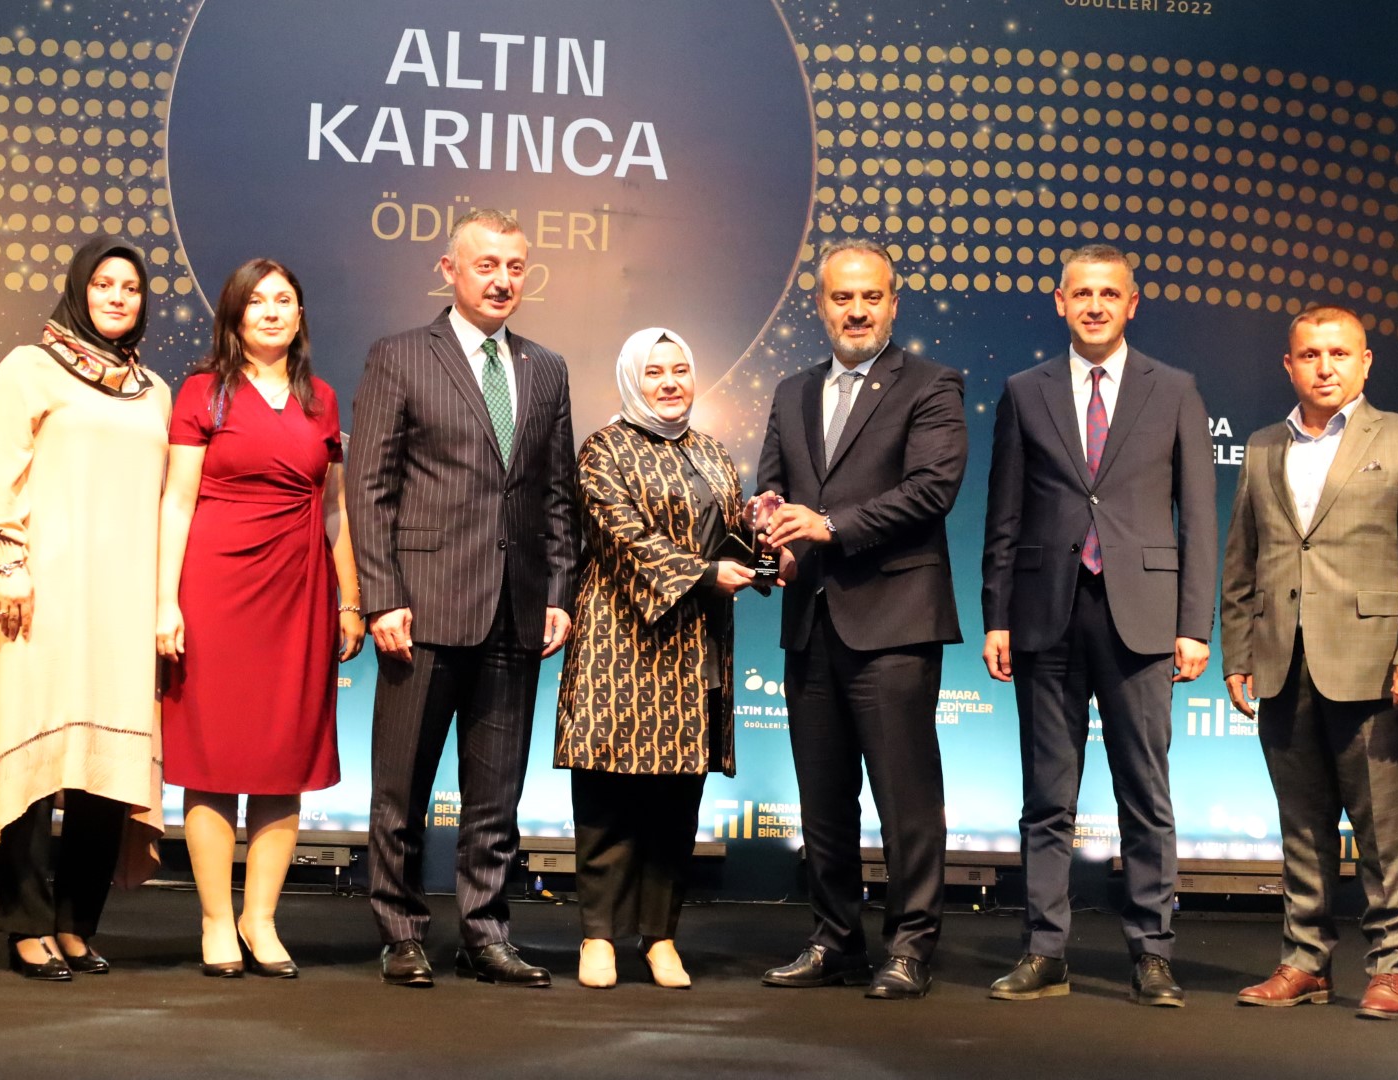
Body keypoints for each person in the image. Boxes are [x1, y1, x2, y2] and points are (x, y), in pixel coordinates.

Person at [349, 208, 582, 989]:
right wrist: (381, 596)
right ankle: (400, 932)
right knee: (401, 790)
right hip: (420, 609)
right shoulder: (399, 356)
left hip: (515, 612)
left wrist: (558, 590)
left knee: (496, 796)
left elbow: (555, 494)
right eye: (486, 265)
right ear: (448, 269)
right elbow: (369, 488)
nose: (501, 280)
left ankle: (485, 933)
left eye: (514, 266)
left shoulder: (545, 368)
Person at [980, 243, 1215, 1007]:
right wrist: (995, 615)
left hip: (1141, 618)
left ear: (1130, 304)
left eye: (1108, 294)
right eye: (1080, 293)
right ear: (1059, 302)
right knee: (1047, 797)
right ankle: (1044, 950)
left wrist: (1194, 624)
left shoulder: (1173, 389)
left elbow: (1198, 517)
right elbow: (1003, 513)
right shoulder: (1024, 391)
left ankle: (1152, 952)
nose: (1093, 305)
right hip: (1043, 614)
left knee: (1144, 793)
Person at [1221, 305, 1398, 1021]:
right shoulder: (1263, 446)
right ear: (1288, 365)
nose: (1323, 367)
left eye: (1338, 353)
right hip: (1281, 663)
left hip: (1376, 666)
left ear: (1364, 362)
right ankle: (1305, 962)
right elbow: (1242, 559)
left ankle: (1390, 967)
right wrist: (1237, 650)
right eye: (1309, 354)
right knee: (1301, 828)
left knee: (1382, 832)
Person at [751, 237, 967, 1001]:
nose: (856, 310)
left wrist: (828, 527)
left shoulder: (932, 386)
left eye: (870, 297)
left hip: (894, 623)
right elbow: (772, 487)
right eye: (841, 297)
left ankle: (909, 947)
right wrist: (768, 530)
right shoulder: (791, 392)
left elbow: (931, 489)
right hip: (810, 620)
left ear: (892, 304)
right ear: (819, 306)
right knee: (822, 799)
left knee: (906, 802)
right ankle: (833, 940)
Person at [0, 236, 169, 980]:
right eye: (104, 283)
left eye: (130, 288)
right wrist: (8, 563)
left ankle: (77, 924)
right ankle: (26, 926)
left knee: (105, 771)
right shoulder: (27, 368)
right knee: (31, 761)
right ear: (80, 290)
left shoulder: (154, 391)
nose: (117, 297)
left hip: (122, 601)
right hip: (38, 593)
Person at [156, 259, 365, 978]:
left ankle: (261, 919)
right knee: (212, 761)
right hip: (215, 589)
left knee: (283, 762)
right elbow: (177, 502)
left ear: (300, 315)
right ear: (235, 315)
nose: (271, 311)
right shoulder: (201, 392)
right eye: (257, 301)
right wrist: (165, 600)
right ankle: (217, 919)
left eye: (284, 300)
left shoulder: (322, 399)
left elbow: (335, 509)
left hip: (299, 592)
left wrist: (348, 599)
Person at [555, 328, 758, 990]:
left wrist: (761, 538)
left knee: (677, 800)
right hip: (619, 644)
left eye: (679, 370)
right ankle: (598, 936)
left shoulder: (711, 451)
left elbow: (728, 535)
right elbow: (623, 537)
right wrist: (704, 574)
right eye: (654, 372)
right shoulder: (603, 449)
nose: (670, 383)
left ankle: (660, 937)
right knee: (608, 796)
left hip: (694, 649)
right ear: (630, 380)